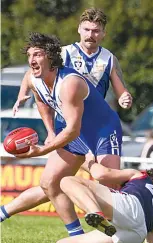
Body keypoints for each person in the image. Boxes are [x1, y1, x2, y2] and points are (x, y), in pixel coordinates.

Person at [1, 8, 132, 221]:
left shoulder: (109, 59)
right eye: (87, 29)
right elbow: (33, 76)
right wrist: (23, 95)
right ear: (79, 30)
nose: (91, 34)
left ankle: (117, 239)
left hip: (98, 127)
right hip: (71, 127)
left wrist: (125, 97)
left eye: (96, 31)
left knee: (106, 181)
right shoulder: (63, 53)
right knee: (50, 184)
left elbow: (121, 89)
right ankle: (4, 212)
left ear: (103, 34)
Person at [31, 157, 153, 243]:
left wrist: (81, 158)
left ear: (150, 175)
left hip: (128, 207)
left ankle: (95, 212)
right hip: (135, 236)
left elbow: (102, 174)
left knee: (67, 181)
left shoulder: (141, 176)